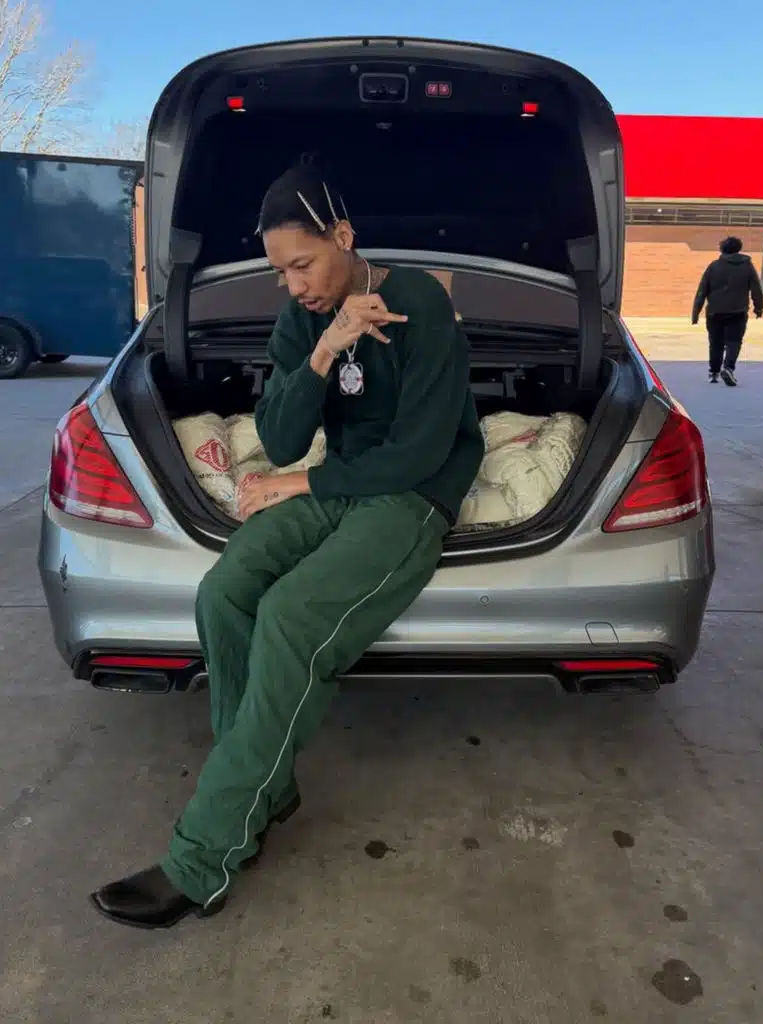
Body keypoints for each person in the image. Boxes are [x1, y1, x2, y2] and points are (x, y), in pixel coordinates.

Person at [90, 160, 485, 930]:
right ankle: (264, 792)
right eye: (280, 272)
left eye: (304, 264)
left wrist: (299, 485)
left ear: (344, 236)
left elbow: (421, 453)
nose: (294, 284)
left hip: (409, 497)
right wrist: (325, 348)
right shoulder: (304, 319)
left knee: (291, 619)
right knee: (225, 594)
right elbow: (277, 438)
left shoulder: (418, 303)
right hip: (339, 484)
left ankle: (203, 858)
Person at [691, 236, 763, 386]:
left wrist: (695, 313)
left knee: (715, 343)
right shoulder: (747, 266)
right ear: (739, 248)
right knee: (734, 341)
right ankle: (728, 368)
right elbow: (756, 288)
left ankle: (714, 372)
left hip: (715, 312)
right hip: (738, 311)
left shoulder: (714, 267)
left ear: (722, 249)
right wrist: (759, 308)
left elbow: (702, 290)